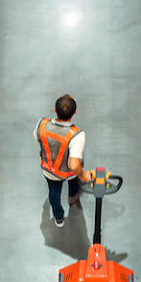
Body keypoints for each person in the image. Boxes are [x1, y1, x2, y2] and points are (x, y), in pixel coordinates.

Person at [35, 94, 94, 228]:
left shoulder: (42, 125)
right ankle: (73, 197)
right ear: (75, 112)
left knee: (54, 193)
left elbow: (37, 137)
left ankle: (59, 218)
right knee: (75, 177)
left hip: (49, 170)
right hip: (69, 173)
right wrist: (83, 175)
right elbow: (74, 165)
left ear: (55, 110)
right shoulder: (77, 135)